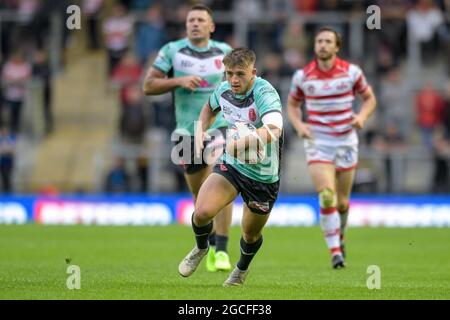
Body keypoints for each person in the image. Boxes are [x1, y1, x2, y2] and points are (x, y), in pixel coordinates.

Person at [178, 48, 284, 287]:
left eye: (240, 74)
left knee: (250, 233)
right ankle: (201, 247)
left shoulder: (265, 92)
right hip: (233, 165)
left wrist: (240, 144)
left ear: (253, 73)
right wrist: (199, 131)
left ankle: (240, 270)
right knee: (203, 211)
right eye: (229, 74)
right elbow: (208, 108)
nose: (234, 80)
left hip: (263, 175)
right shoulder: (224, 89)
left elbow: (274, 130)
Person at [142, 4, 233, 272]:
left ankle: (222, 251)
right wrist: (177, 82)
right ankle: (210, 241)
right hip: (186, 133)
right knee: (200, 195)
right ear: (186, 25)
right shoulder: (172, 51)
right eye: (191, 20)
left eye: (201, 20)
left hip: (220, 128)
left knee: (223, 179)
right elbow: (148, 85)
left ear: (211, 26)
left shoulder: (225, 52)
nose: (195, 23)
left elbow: (242, 85)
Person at [287, 27, 377, 269]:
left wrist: (362, 117)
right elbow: (292, 105)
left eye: (328, 41)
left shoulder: (351, 72)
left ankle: (341, 236)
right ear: (315, 45)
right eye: (319, 41)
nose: (323, 45)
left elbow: (369, 98)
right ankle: (335, 252)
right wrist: (298, 125)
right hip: (319, 142)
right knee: (327, 195)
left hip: (346, 141)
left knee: (343, 203)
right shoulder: (303, 76)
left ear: (337, 47)